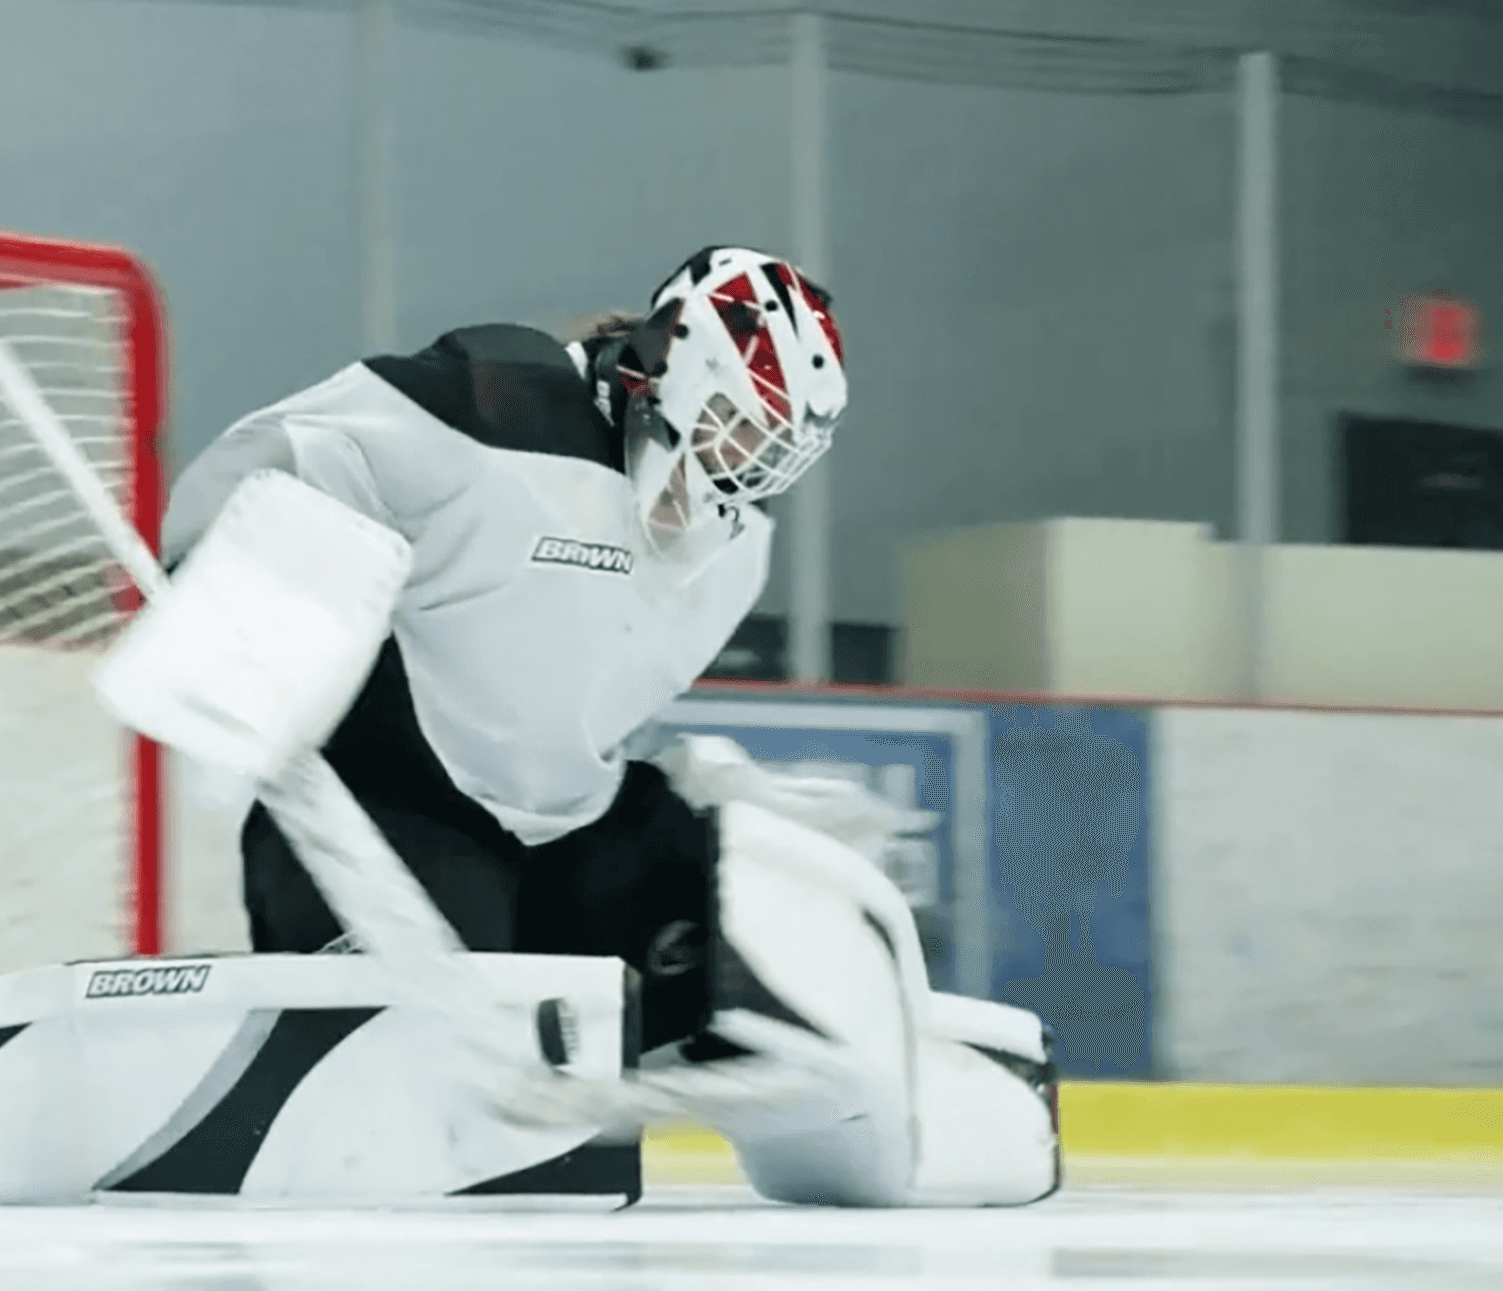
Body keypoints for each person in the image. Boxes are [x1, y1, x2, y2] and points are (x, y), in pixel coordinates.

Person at [124, 245, 1057, 1207]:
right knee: (445, 1020)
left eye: (774, 447)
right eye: (737, 427)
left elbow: (566, 699)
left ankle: (864, 1099)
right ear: (672, 372)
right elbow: (283, 459)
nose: (746, 466)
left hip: (561, 840)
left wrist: (713, 809)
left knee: (749, 883)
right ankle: (290, 1038)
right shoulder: (488, 402)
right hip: (385, 808)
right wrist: (229, 586)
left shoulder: (738, 552)